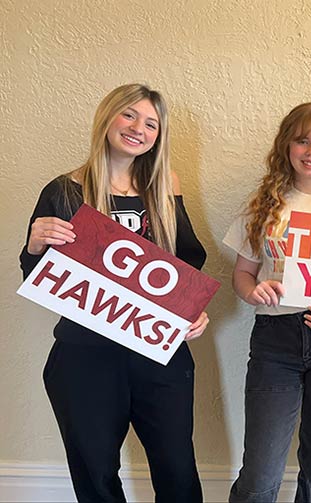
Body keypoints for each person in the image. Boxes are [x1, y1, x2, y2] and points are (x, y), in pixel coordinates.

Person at [20, 84, 210, 502]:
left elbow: (187, 264)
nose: (137, 128)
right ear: (107, 116)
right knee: (95, 474)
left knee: (178, 472)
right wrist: (34, 245)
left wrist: (194, 312)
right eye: (129, 115)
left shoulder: (166, 189)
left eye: (151, 123)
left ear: (158, 136)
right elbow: (37, 277)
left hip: (158, 354)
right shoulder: (64, 190)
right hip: (86, 356)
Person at [224, 103, 311, 503]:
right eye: (302, 140)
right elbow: (242, 274)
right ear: (286, 145)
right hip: (276, 341)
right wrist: (252, 292)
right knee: (261, 470)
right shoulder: (264, 206)